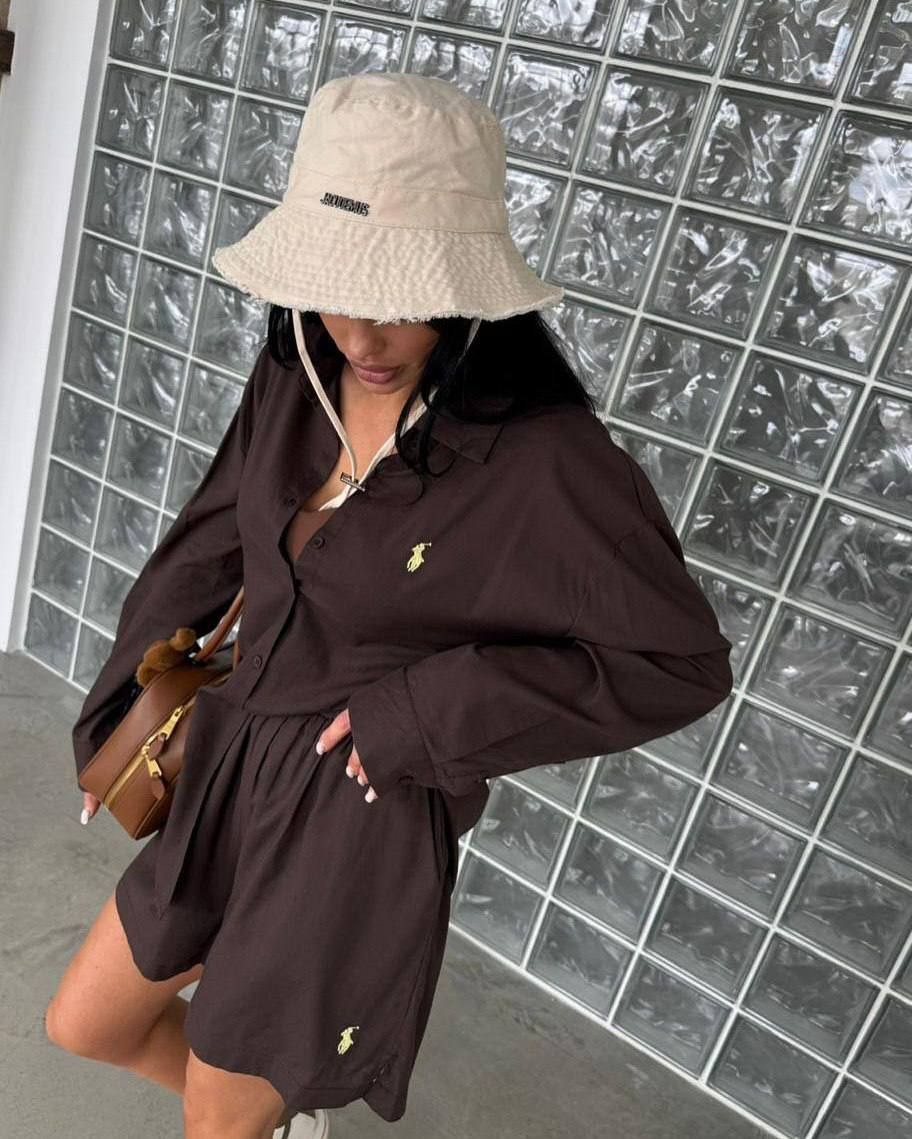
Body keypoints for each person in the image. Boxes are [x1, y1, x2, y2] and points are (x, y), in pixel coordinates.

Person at [46, 73, 734, 1139]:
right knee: (84, 1022)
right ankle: (278, 1113)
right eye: (337, 287)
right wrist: (113, 721)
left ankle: (261, 1108)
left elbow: (680, 661)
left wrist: (426, 712)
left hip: (355, 809)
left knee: (219, 1120)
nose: (363, 335)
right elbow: (209, 541)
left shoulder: (544, 459)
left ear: (464, 289)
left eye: (399, 301)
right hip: (229, 761)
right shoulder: (297, 372)